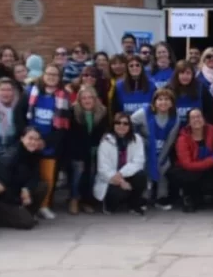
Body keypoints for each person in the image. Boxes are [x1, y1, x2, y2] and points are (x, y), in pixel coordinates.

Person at [25, 64, 71, 220]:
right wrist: (32, 139)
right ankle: (30, 206)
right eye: (49, 74)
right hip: (30, 141)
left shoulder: (63, 96)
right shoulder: (32, 91)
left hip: (50, 144)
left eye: (55, 75)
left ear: (59, 78)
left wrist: (44, 142)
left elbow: (63, 126)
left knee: (48, 177)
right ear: (43, 75)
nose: (51, 77)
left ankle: (44, 206)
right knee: (30, 175)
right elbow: (25, 116)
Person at [0, 127, 49, 229]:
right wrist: (18, 200)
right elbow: (4, 186)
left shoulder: (34, 154)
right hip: (5, 198)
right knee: (27, 223)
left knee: (42, 186)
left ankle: (27, 213)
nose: (33, 142)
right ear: (22, 138)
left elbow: (36, 177)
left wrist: (27, 189)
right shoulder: (9, 156)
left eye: (36, 139)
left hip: (19, 193)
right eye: (30, 138)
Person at [132, 88, 180, 210]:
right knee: (146, 165)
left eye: (166, 99)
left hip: (162, 151)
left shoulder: (175, 118)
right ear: (154, 102)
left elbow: (170, 141)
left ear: (172, 103)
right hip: (144, 151)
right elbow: (129, 123)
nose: (163, 102)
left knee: (164, 165)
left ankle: (161, 197)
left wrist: (160, 159)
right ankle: (144, 197)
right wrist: (139, 139)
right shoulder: (144, 113)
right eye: (160, 99)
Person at [94, 112, 147, 215]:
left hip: (124, 175)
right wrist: (120, 181)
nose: (121, 126)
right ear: (113, 125)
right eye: (118, 123)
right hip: (110, 179)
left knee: (141, 176)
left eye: (125, 123)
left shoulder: (137, 139)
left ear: (130, 126)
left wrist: (121, 174)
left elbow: (138, 162)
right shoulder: (106, 141)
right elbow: (103, 168)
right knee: (117, 194)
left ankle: (134, 205)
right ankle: (109, 205)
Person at [170, 108, 213, 213]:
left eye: (199, 116)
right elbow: (188, 165)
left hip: (205, 170)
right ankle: (187, 197)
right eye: (193, 118)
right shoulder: (182, 139)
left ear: (204, 118)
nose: (196, 119)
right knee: (191, 175)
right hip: (188, 172)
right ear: (188, 122)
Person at [67, 86, 108, 215]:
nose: (87, 100)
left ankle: (87, 201)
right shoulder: (73, 111)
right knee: (79, 172)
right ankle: (74, 199)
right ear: (79, 100)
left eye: (90, 97)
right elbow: (71, 135)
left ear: (95, 99)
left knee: (91, 175)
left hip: (95, 149)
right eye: (84, 98)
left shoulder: (103, 111)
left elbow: (103, 132)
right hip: (76, 149)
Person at [167, 60, 213, 125]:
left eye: (188, 73)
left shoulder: (201, 88)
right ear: (176, 75)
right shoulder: (168, 90)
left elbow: (209, 112)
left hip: (195, 129)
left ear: (193, 75)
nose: (185, 76)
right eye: (182, 73)